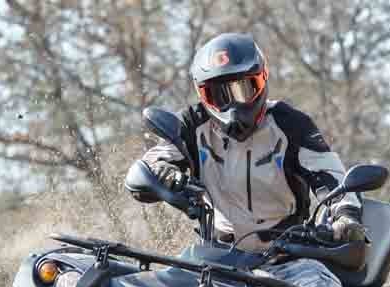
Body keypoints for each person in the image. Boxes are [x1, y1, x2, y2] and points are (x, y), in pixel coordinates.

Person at [141, 32, 367, 256]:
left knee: (320, 283)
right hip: (215, 258)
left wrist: (345, 217)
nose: (233, 106)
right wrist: (163, 173)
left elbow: (333, 177)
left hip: (289, 259)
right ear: (202, 95)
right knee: (158, 280)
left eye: (243, 90)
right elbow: (149, 165)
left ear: (263, 78)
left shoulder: (292, 125)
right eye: (219, 95)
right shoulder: (191, 125)